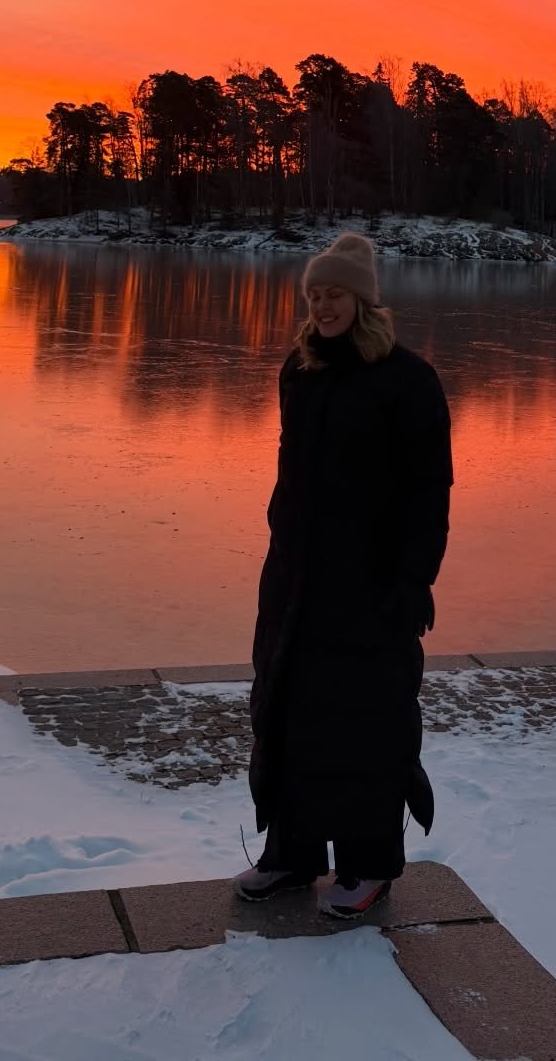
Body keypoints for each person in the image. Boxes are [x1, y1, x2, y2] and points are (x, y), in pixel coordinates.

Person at [235, 231, 453, 920]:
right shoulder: (297, 371)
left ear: (363, 300)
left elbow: (430, 491)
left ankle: (367, 866)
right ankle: (291, 857)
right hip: (297, 580)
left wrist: (413, 582)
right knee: (289, 712)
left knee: (367, 722)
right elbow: (288, 472)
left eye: (334, 294)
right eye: (314, 294)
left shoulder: (408, 379)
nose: (322, 305)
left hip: (371, 583)